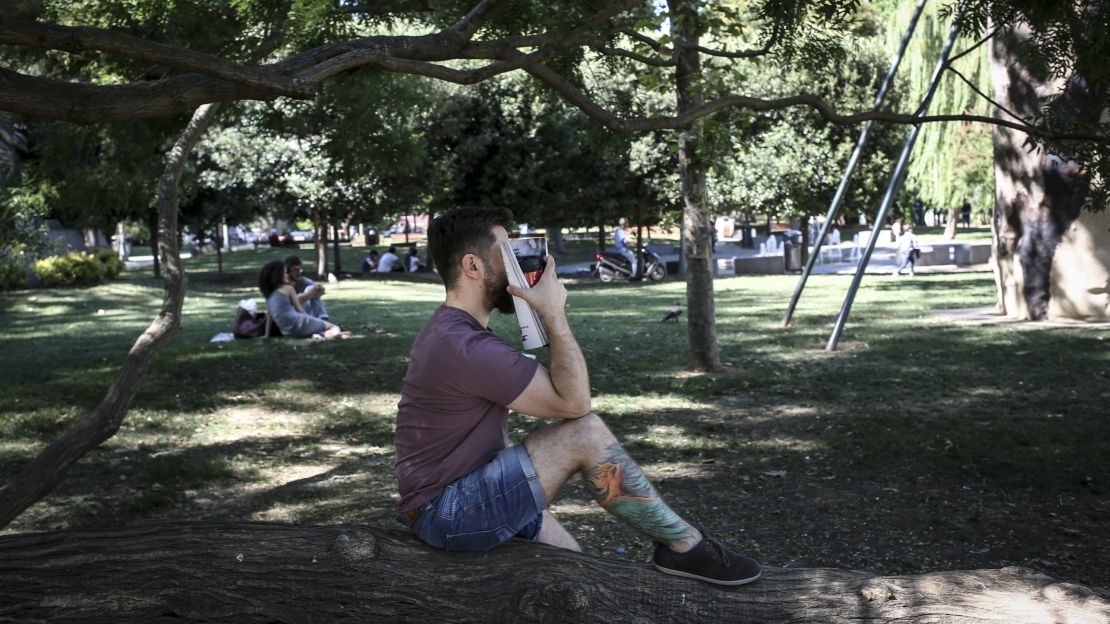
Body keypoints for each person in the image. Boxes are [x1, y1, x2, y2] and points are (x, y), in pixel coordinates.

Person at [394, 207, 761, 586]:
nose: (519, 266)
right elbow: (574, 404)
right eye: (508, 255)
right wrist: (553, 314)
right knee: (585, 432)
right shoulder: (465, 346)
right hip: (451, 510)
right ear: (473, 266)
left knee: (575, 575)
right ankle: (686, 546)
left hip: (467, 492)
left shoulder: (455, 332)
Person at [258, 260, 349, 339]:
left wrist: (266, 335)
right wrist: (313, 320)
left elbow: (269, 316)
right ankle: (335, 334)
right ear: (278, 274)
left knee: (317, 329)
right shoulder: (288, 288)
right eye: (285, 273)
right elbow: (299, 310)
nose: (287, 275)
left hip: (287, 332)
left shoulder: (269, 296)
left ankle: (324, 334)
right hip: (299, 322)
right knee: (334, 327)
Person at [283, 256, 328, 321]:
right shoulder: (283, 285)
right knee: (311, 290)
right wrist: (310, 294)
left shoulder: (303, 281)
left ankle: (323, 318)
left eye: (299, 270)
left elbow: (322, 291)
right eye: (295, 270)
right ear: (287, 271)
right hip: (289, 316)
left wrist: (317, 288)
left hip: (304, 313)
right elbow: (291, 303)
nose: (298, 273)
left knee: (311, 288)